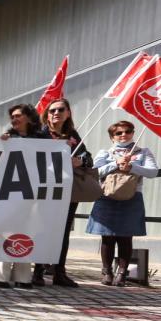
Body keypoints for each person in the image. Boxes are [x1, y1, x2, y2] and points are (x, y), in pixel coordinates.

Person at [87, 120, 158, 287]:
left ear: (133, 133)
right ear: (112, 137)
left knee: (126, 236)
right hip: (106, 196)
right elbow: (95, 172)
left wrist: (132, 167)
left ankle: (122, 273)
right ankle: (106, 271)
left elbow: (153, 172)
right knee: (107, 237)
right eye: (118, 133)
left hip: (132, 197)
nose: (123, 134)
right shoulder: (105, 153)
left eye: (127, 131)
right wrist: (116, 164)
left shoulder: (143, 152)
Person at [0, 104, 45, 288]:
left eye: (18, 115)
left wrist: (63, 147)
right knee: (4, 230)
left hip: (31, 192)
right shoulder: (7, 138)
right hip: (8, 191)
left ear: (29, 117)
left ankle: (22, 277)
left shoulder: (42, 138)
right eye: (12, 116)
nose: (14, 119)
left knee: (27, 231)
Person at [37, 98, 91, 288]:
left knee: (63, 231)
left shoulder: (73, 134)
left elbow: (88, 157)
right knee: (42, 229)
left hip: (67, 191)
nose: (56, 113)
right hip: (43, 190)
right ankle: (38, 271)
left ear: (68, 113)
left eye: (60, 110)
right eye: (52, 111)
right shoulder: (40, 134)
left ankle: (59, 272)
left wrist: (80, 161)